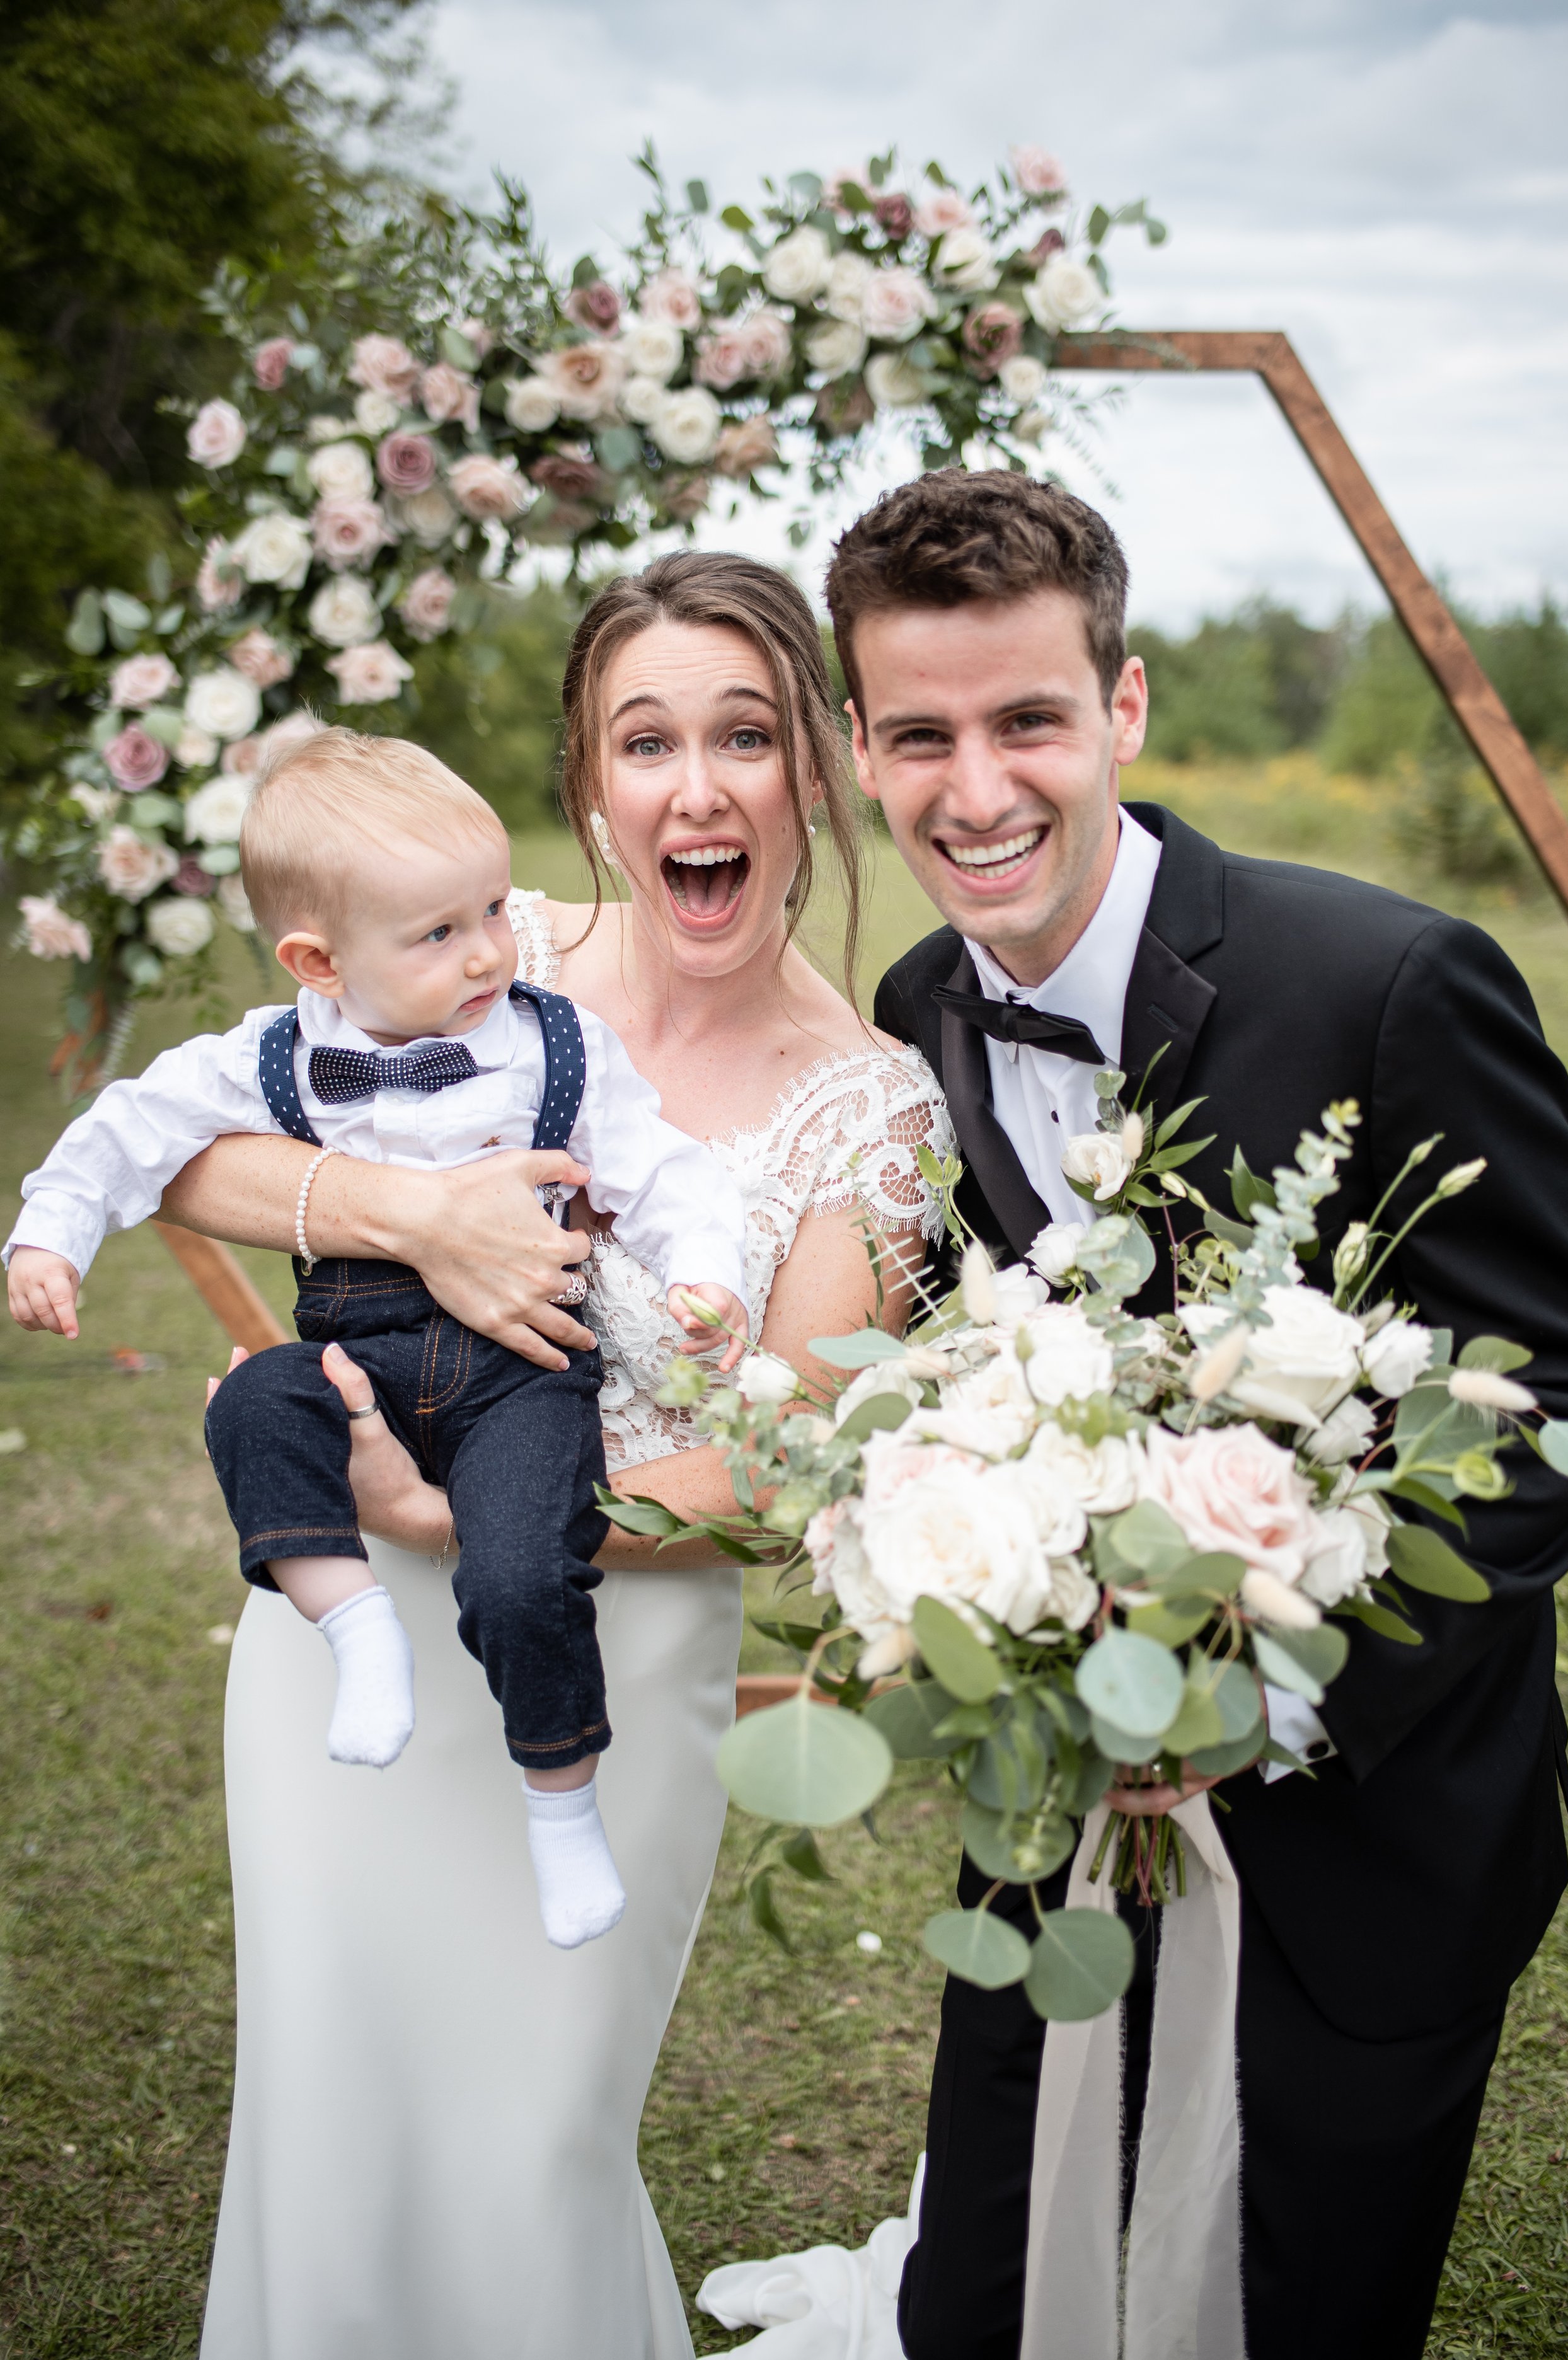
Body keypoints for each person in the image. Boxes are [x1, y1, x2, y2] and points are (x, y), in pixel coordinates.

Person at [148, 551, 953, 2358]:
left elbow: (779, 1457)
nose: (695, 788)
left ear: (816, 765)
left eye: (743, 735)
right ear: (589, 782)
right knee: (328, 2116)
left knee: (530, 2141)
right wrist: (416, 1218)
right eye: (644, 741)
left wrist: (450, 1511)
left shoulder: (874, 1106)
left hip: (609, 1651)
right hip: (340, 1641)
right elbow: (187, 1152)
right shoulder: (467, 948)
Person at [821, 468, 1568, 2360]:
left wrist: (1261, 1695)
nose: (973, 789)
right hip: (1053, 1818)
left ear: (1124, 706)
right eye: (918, 735)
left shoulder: (1389, 981)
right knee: (986, 2298)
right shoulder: (914, 1010)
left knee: (1287, 2309)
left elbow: (1552, 1384)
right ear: (858, 747)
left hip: (1371, 1835)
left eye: (1026, 721)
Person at [8, 729, 751, 1954]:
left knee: (526, 1570)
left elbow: (666, 1173)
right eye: (438, 932)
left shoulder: (554, 1043)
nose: (487, 952)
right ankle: (355, 1625)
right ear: (318, 960)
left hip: (521, 1374)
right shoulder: (275, 1055)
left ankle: (561, 1801)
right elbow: (130, 1128)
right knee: (254, 1402)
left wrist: (706, 1274)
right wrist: (49, 1233)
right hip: (362, 1354)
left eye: (492, 911)